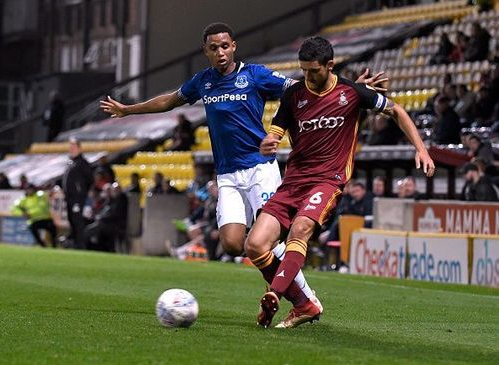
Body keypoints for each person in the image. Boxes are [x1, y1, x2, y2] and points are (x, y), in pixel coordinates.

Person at [100, 22, 386, 310]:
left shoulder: (255, 75)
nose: (220, 52)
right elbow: (169, 101)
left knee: (269, 239)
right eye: (214, 48)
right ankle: (289, 290)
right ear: (206, 51)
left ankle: (303, 298)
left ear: (234, 46)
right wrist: (127, 110)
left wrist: (354, 90)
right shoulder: (203, 82)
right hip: (227, 174)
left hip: (259, 168)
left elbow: (302, 88)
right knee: (233, 244)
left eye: (225, 46)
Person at [245, 36, 435, 329]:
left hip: (327, 181)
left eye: (314, 71)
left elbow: (396, 110)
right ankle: (304, 305)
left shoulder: (352, 92)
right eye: (304, 70)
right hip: (293, 183)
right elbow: (274, 134)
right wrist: (267, 143)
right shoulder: (294, 95)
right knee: (255, 245)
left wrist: (421, 149)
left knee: (301, 229)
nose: (307, 76)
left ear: (330, 65)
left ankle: (276, 293)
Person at [62, 138, 94, 249]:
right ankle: (74, 242)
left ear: (79, 148)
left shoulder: (82, 163)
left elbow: (90, 179)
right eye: (70, 147)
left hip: (78, 198)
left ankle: (81, 244)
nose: (71, 149)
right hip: (69, 197)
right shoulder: (70, 162)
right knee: (71, 219)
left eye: (74, 147)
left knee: (77, 220)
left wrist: (82, 192)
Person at [83, 182, 128, 251]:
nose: (114, 192)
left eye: (116, 190)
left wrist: (101, 218)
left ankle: (86, 247)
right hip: (106, 222)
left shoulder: (121, 200)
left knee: (90, 230)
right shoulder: (111, 200)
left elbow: (115, 214)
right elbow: (103, 210)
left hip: (115, 224)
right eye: (113, 190)